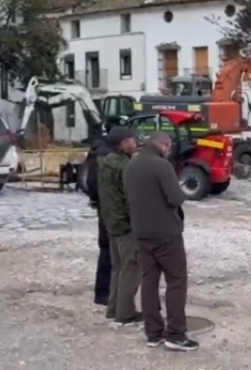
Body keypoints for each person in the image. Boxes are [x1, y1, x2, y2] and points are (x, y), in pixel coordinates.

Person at [123, 132, 197, 351]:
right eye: (169, 146)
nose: (169, 150)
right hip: (166, 233)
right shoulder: (161, 166)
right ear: (164, 145)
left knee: (149, 281)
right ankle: (175, 334)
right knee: (176, 281)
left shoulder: (131, 166)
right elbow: (176, 197)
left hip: (141, 232)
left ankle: (153, 333)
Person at [98, 127, 142, 324]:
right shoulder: (125, 166)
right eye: (132, 139)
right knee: (131, 268)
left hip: (110, 222)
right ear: (123, 143)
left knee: (117, 268)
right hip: (125, 224)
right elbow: (131, 196)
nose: (135, 143)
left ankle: (113, 309)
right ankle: (125, 313)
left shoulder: (105, 162)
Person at [85, 139, 111, 307]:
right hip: (109, 208)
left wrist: (94, 199)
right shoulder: (107, 156)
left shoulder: (96, 153)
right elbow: (93, 181)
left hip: (103, 207)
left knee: (106, 249)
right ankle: (103, 293)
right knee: (108, 250)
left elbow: (89, 182)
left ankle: (103, 292)